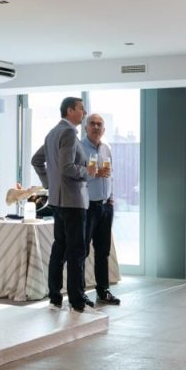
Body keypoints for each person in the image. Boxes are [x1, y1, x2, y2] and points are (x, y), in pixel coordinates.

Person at [31, 97, 94, 313]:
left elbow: (36, 160)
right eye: (81, 109)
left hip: (58, 201)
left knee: (59, 248)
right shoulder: (68, 133)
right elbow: (67, 167)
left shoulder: (52, 133)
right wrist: (88, 171)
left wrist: (50, 183)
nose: (84, 112)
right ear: (70, 110)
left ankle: (55, 297)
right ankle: (77, 301)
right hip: (73, 200)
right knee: (76, 251)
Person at [81, 114, 120, 305]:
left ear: (103, 130)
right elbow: (76, 176)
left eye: (99, 125)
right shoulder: (79, 148)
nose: (96, 127)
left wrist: (111, 198)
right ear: (86, 128)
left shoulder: (107, 148)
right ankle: (79, 293)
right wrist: (94, 173)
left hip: (105, 206)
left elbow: (110, 174)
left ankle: (103, 291)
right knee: (82, 251)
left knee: (103, 251)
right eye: (92, 124)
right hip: (87, 206)